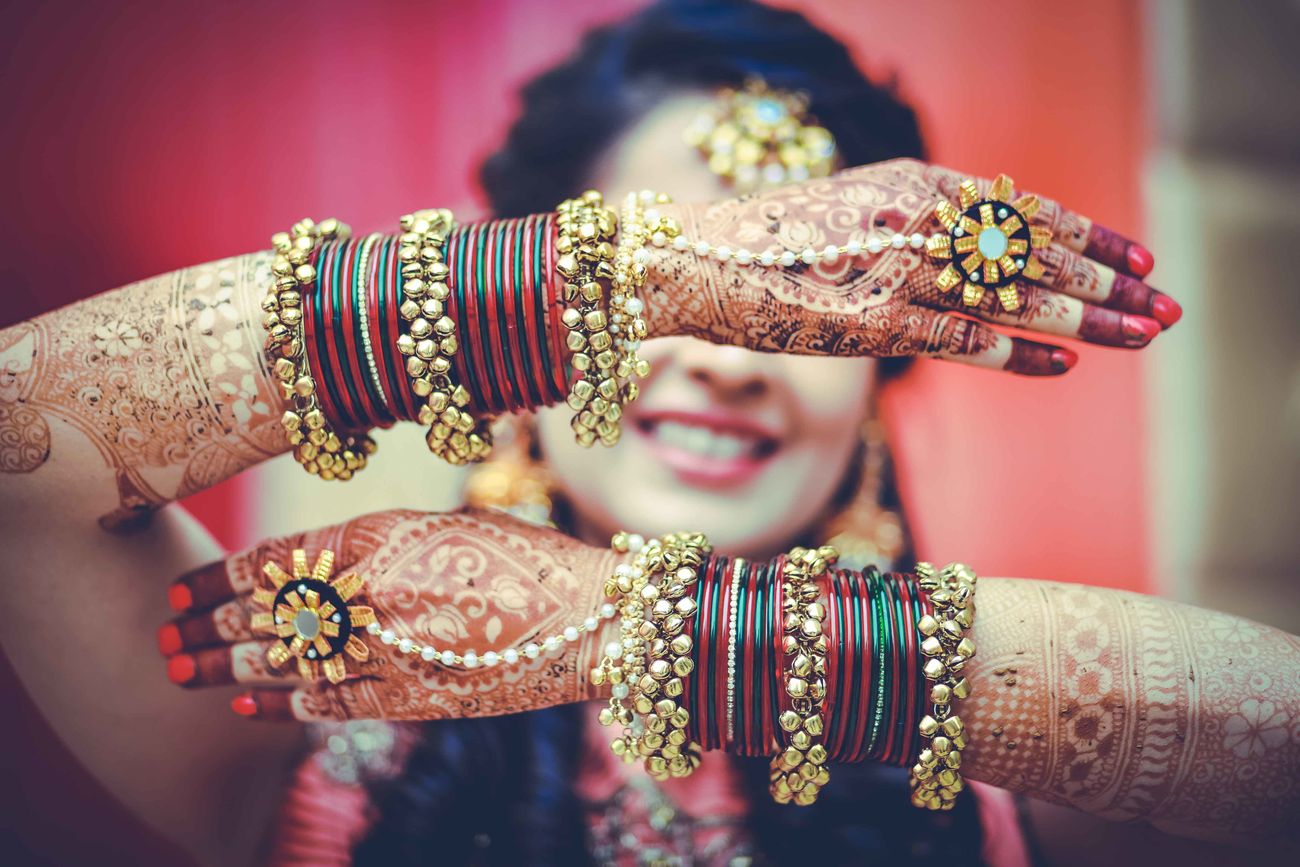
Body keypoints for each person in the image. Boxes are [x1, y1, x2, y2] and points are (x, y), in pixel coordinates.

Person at [1, 3, 1292, 866]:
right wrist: (676, 268)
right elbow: (20, 437)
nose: (730, 360)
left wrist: (636, 633)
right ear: (518, 357)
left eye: (810, 319)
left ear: (884, 382)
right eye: (651, 296)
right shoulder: (316, 708)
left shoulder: (1017, 773)